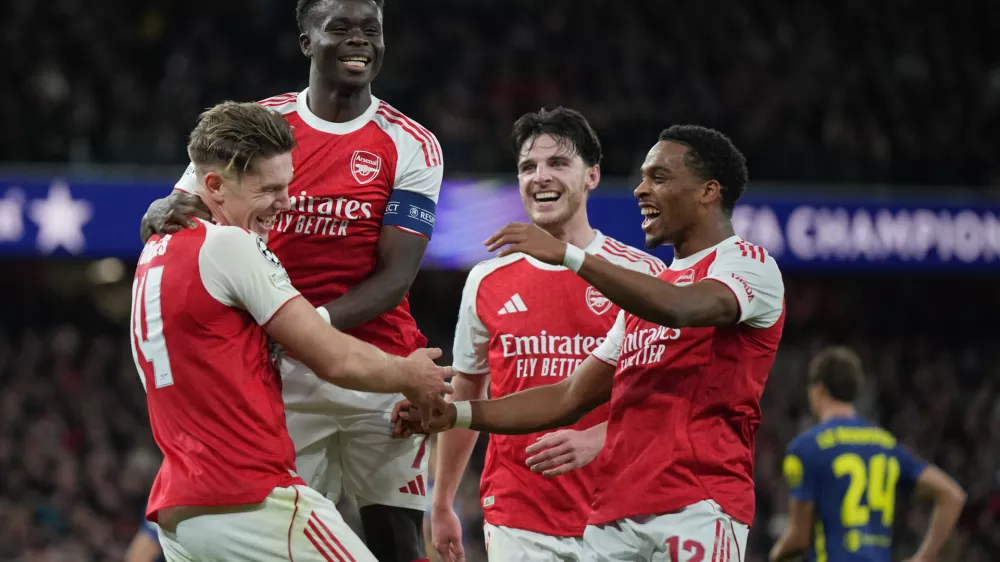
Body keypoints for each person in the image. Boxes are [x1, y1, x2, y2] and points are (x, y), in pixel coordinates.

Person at [394, 125, 785, 562]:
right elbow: (568, 396)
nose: (640, 189)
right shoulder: (637, 297)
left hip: (696, 506)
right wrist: (454, 414)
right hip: (611, 518)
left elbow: (681, 307)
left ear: (708, 191)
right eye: (642, 177)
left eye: (658, 177)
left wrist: (569, 257)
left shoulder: (748, 265)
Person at [139, 1, 444, 559]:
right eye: (341, 28)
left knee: (398, 542)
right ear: (307, 40)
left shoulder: (411, 144)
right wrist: (160, 206)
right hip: (279, 378)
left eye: (371, 30)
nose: (359, 41)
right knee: (280, 537)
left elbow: (395, 278)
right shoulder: (261, 127)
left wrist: (308, 330)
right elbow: (187, 206)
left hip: (375, 363)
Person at [431, 107, 665, 562]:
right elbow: (467, 390)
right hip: (519, 518)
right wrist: (442, 501)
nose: (540, 176)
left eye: (558, 163)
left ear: (592, 175)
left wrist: (599, 438)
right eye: (527, 167)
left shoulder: (640, 273)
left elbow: (667, 398)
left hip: (623, 516)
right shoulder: (485, 280)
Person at [769, 346, 967, 562]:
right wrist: (923, 557)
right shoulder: (886, 444)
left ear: (818, 390)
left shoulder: (806, 449)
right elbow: (952, 495)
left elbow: (800, 537)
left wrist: (775, 556)